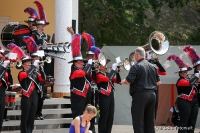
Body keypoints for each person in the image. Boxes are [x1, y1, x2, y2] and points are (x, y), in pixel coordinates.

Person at [121, 47, 160, 133]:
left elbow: (128, 81)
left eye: (135, 55)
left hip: (141, 95)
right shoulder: (153, 67)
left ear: (137, 55)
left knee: (138, 121)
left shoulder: (136, 66)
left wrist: (123, 81)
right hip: (152, 95)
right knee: (150, 121)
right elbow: (158, 82)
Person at [167, 54, 199, 133]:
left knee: (192, 122)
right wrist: (196, 75)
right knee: (184, 121)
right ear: (180, 74)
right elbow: (189, 83)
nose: (185, 73)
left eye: (186, 72)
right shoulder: (180, 80)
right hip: (184, 102)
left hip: (194, 102)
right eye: (183, 72)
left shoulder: (191, 79)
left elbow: (196, 85)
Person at [18, 55, 45, 133]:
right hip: (26, 96)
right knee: (25, 116)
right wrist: (33, 66)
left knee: (32, 116)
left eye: (30, 64)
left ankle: (30, 131)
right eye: (28, 64)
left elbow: (43, 79)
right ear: (23, 65)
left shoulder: (34, 72)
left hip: (34, 96)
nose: (29, 65)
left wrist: (41, 68)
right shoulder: (21, 73)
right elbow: (26, 75)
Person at [69, 34, 93, 119]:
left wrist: (93, 68)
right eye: (81, 62)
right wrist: (89, 66)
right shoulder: (74, 71)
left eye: (83, 62)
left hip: (85, 96)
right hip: (78, 97)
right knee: (78, 116)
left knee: (86, 116)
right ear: (75, 63)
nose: (83, 63)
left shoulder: (82, 69)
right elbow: (83, 73)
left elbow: (91, 77)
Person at [95, 55, 121, 133]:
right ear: (99, 66)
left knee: (110, 116)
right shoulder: (98, 75)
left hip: (110, 96)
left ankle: (108, 131)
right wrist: (113, 70)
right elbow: (107, 79)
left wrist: (117, 72)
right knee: (104, 115)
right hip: (103, 96)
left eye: (105, 64)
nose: (105, 66)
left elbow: (118, 81)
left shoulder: (108, 74)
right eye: (103, 64)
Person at [146, 52, 167, 119]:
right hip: (146, 89)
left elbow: (164, 72)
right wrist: (149, 62)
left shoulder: (154, 69)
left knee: (154, 106)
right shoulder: (142, 67)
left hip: (154, 89)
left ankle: (152, 124)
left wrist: (157, 62)